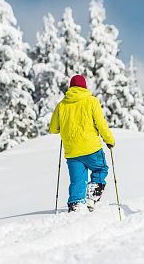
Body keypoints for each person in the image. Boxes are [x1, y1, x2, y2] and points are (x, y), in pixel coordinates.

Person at [49, 75, 115, 212]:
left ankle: (75, 204)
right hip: (91, 148)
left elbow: (53, 129)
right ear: (84, 86)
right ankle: (92, 194)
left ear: (70, 87)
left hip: (72, 152)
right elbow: (101, 124)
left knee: (77, 180)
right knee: (100, 169)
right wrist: (109, 140)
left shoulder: (62, 105)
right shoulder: (91, 101)